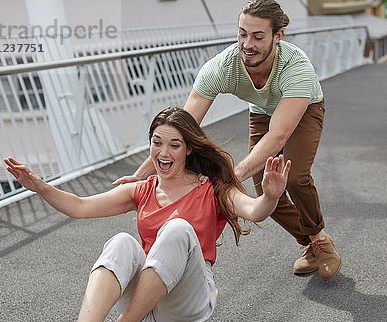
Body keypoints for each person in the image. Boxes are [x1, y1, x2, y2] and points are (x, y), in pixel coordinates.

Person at [4, 106, 291, 322]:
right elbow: (80, 207)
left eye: (174, 145)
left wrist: (270, 196)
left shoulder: (212, 188)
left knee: (177, 228)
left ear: (189, 148)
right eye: (157, 143)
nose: (163, 153)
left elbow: (254, 210)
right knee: (122, 242)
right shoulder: (142, 189)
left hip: (187, 301)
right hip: (144, 304)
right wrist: (39, 186)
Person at [114, 0, 342, 281]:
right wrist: (139, 175)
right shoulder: (223, 67)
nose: (248, 43)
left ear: (277, 36)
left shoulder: (297, 68)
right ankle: (310, 243)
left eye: (258, 37)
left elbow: (278, 135)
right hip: (262, 111)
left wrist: (230, 177)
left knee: (293, 177)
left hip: (304, 108)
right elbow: (181, 128)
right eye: (242, 33)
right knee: (265, 188)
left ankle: (318, 237)